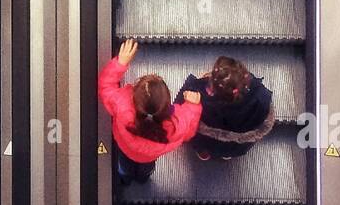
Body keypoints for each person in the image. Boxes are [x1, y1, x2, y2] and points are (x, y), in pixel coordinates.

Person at [98, 38, 202, 185]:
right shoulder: (176, 126)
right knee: (146, 168)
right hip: (149, 157)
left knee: (124, 166)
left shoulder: (121, 106)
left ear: (133, 97)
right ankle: (143, 179)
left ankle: (125, 179)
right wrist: (193, 106)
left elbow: (106, 87)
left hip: (126, 149)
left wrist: (120, 63)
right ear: (165, 104)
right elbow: (190, 130)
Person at [175, 56, 275, 162]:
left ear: (211, 88)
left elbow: (179, 112)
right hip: (237, 146)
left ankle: (203, 152)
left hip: (207, 140)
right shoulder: (260, 96)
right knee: (229, 149)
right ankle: (227, 155)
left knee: (202, 143)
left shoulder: (199, 95)